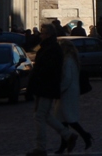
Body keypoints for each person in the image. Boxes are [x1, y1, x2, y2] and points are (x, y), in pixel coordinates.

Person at [26, 23, 77, 156]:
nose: (40, 35)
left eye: (42, 33)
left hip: (45, 87)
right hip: (44, 87)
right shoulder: (48, 47)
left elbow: (46, 70)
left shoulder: (52, 49)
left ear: (48, 34)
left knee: (39, 116)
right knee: (46, 115)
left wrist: (36, 82)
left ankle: (41, 147)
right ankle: (68, 135)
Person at [54, 39, 93, 152]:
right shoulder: (71, 59)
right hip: (69, 92)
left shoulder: (68, 61)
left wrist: (59, 90)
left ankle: (85, 136)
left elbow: (67, 78)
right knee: (63, 120)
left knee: (69, 119)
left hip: (67, 93)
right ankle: (65, 142)